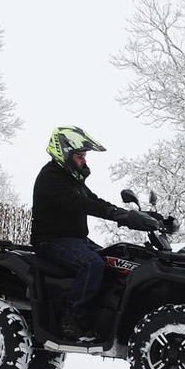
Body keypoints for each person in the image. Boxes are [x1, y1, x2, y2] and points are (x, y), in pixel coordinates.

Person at [31, 126, 160, 342]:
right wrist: (115, 215)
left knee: (115, 259)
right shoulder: (50, 177)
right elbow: (79, 203)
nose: (84, 161)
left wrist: (129, 215)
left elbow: (94, 200)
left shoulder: (72, 179)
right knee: (92, 264)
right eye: (80, 156)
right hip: (51, 241)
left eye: (84, 156)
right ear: (63, 152)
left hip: (75, 239)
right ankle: (71, 319)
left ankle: (103, 316)